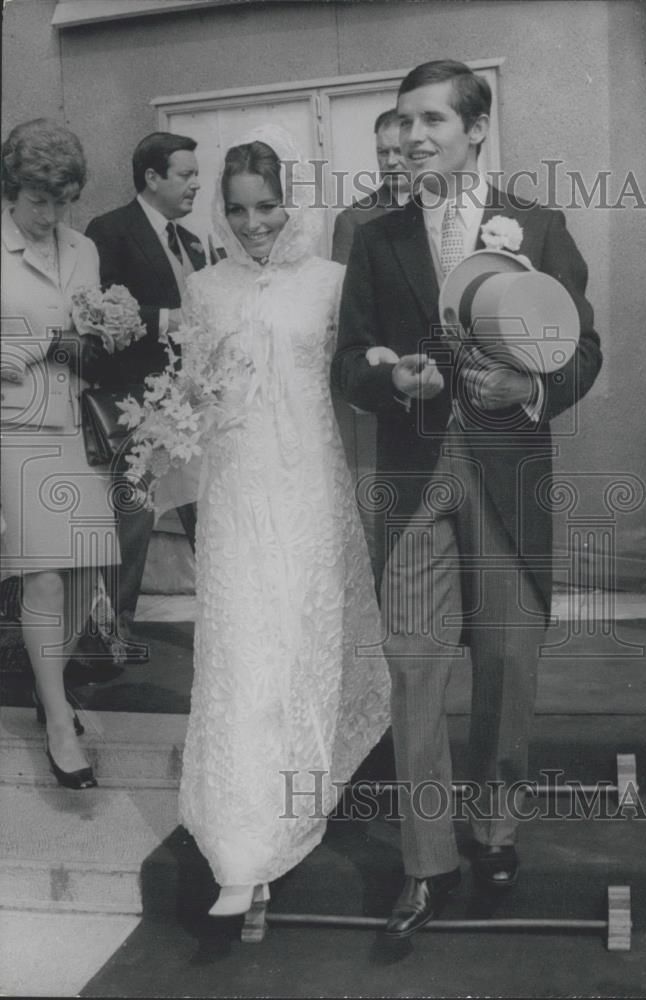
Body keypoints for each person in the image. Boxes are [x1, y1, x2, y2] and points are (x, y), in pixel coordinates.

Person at [333, 60, 602, 939]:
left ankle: (493, 829)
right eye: (402, 122)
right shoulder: (374, 238)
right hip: (413, 479)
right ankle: (424, 864)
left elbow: (584, 351)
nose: (410, 137)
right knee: (412, 666)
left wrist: (524, 397)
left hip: (507, 473)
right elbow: (349, 362)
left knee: (507, 663)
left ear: (476, 128)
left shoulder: (536, 225)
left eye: (430, 121)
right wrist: (391, 380)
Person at [176, 125, 390, 917]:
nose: (254, 223)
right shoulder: (203, 290)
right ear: (221, 212)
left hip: (308, 485)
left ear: (287, 200)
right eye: (238, 211)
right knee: (240, 641)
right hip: (235, 489)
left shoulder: (333, 280)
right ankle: (240, 833)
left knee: (300, 633)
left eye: (265, 206)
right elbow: (192, 395)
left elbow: (358, 369)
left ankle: (302, 779)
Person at [1, 119, 121, 789]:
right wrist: (43, 344)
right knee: (44, 576)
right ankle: (54, 720)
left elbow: (85, 335)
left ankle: (51, 690)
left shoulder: (84, 249)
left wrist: (99, 335)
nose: (49, 214)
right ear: (12, 189)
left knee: (82, 579)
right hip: (13, 429)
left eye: (62, 200)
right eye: (37, 199)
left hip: (74, 425)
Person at [84, 133, 206, 659]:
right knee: (132, 520)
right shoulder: (109, 231)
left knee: (210, 513)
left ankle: (232, 617)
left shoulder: (194, 244)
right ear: (152, 178)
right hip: (136, 405)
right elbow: (93, 317)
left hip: (192, 407)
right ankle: (113, 634)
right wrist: (165, 320)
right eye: (186, 174)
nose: (196, 183)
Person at [331, 109, 410, 265]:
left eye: (399, 151)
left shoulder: (440, 205)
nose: (391, 161)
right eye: (383, 152)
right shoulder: (353, 220)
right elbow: (344, 287)